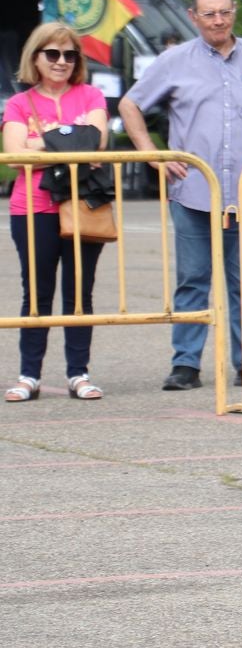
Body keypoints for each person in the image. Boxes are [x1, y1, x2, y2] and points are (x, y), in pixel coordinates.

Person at [117, 0, 242, 392]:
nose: (218, 21)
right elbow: (130, 104)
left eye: (225, 12)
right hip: (193, 192)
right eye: (209, 14)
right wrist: (152, 153)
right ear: (193, 16)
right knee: (193, 280)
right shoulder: (174, 60)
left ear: (234, 11)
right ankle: (185, 365)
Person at [3, 24, 108, 402]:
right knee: (36, 292)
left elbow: (92, 143)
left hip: (82, 204)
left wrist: (41, 140)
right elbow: (15, 154)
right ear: (35, 57)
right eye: (52, 54)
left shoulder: (92, 95)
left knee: (80, 291)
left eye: (70, 55)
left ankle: (78, 372)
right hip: (32, 206)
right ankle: (29, 374)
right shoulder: (18, 103)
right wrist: (66, 136)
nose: (62, 62)